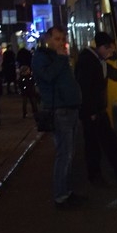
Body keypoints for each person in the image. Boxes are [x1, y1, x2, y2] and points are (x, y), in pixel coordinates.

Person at [74, 32, 117, 186]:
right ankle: (97, 177)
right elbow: (84, 89)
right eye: (110, 50)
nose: (112, 54)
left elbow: (112, 73)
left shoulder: (99, 60)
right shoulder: (87, 61)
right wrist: (90, 112)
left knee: (109, 142)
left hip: (99, 110)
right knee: (94, 146)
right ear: (102, 48)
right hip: (91, 112)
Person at [32, 26, 85, 209]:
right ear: (47, 39)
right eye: (56, 38)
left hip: (69, 109)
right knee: (64, 154)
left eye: (62, 38)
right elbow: (47, 77)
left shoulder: (57, 57)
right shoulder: (42, 57)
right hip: (59, 111)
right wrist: (62, 58)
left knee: (69, 154)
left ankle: (66, 192)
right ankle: (61, 196)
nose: (60, 42)